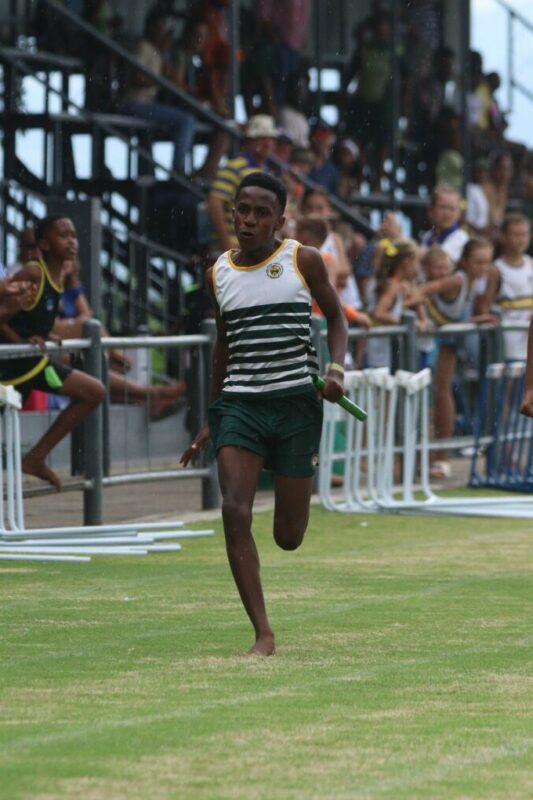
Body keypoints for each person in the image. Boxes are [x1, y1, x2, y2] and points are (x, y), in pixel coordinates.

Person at [181, 171, 347, 656]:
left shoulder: (303, 259)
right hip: (241, 405)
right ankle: (263, 633)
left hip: (297, 405)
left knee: (288, 537)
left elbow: (336, 318)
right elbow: (222, 347)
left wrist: (335, 369)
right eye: (242, 210)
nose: (248, 220)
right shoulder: (217, 273)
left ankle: (289, 507)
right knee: (235, 512)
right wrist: (213, 417)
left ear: (280, 219)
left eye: (261, 213)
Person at [0, 216, 105, 492]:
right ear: (44, 244)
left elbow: (31, 316)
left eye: (73, 235)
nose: (72, 241)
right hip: (9, 369)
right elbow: (2, 317)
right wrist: (21, 341)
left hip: (35, 367)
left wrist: (44, 335)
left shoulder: (59, 276)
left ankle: (35, 457)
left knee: (93, 392)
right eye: (63, 235)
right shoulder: (34, 272)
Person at [405, 239, 495, 478]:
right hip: (425, 343)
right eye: (478, 262)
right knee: (429, 395)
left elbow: (453, 321)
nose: (483, 267)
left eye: (487, 262)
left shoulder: (474, 284)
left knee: (442, 392)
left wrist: (476, 321)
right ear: (464, 262)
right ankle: (426, 457)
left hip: (444, 342)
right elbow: (421, 292)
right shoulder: (458, 280)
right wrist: (421, 316)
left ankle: (438, 455)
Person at [54, 259, 186, 417]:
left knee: (98, 368)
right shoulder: (43, 282)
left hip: (75, 348)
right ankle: (154, 393)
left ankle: (148, 399)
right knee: (95, 365)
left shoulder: (71, 287)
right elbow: (67, 325)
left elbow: (87, 314)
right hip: (59, 350)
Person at [121, 10, 196, 173]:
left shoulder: (157, 52)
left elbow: (175, 80)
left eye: (163, 28)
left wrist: (165, 55)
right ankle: (178, 168)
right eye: (159, 27)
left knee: (183, 120)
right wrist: (159, 82)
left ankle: (152, 171)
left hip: (147, 104)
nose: (162, 32)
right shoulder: (144, 47)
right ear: (150, 27)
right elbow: (136, 77)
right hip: (136, 103)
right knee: (186, 121)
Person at [207, 114, 278, 253]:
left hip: (258, 248)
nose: (268, 143)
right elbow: (214, 203)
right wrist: (227, 244)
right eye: (262, 138)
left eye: (270, 139)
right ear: (250, 141)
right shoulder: (234, 166)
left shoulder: (269, 172)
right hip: (237, 245)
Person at [480, 213, 533, 361]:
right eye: (515, 234)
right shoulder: (496, 269)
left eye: (524, 234)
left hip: (528, 337)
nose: (520, 239)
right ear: (503, 237)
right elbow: (485, 305)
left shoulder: (530, 264)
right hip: (507, 339)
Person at [421, 186, 470, 264]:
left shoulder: (460, 237)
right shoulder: (428, 236)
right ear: (431, 210)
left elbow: (437, 262)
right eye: (442, 207)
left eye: (452, 208)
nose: (447, 213)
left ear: (459, 212)